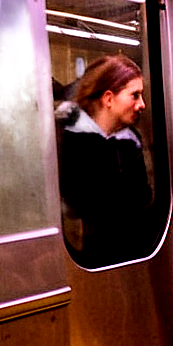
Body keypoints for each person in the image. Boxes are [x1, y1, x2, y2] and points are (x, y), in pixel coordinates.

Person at [57, 54, 153, 268]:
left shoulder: (131, 142)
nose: (142, 105)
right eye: (135, 95)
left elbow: (143, 199)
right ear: (108, 98)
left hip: (131, 257)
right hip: (86, 259)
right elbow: (81, 206)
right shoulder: (69, 141)